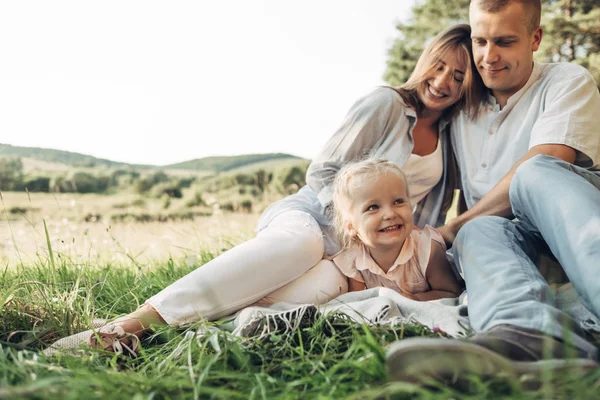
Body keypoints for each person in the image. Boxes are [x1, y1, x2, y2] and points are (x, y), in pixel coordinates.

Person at [45, 24, 485, 355]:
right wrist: (351, 224)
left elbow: (427, 214)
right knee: (303, 247)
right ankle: (129, 326)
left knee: (291, 299)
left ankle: (172, 342)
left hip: (359, 254)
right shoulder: (386, 104)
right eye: (438, 66)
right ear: (424, 62)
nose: (443, 81)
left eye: (458, 75)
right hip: (313, 217)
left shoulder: (451, 135)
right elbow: (324, 171)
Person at [386, 0, 600, 384]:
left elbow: (549, 159)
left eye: (504, 41)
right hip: (519, 244)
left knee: (531, 174)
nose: (488, 57)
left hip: (574, 218)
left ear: (535, 39)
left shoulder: (567, 80)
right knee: (477, 230)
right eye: (480, 41)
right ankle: (530, 336)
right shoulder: (463, 107)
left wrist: (451, 228)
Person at [329, 158, 462, 300]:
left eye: (398, 202)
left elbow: (451, 293)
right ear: (351, 227)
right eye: (373, 207)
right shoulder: (354, 258)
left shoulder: (427, 248)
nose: (390, 214)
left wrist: (410, 299)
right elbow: (361, 302)